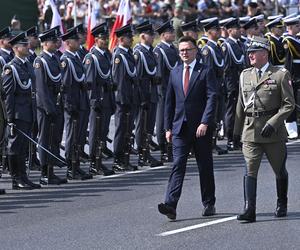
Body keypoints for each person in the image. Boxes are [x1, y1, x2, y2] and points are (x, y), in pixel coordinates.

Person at [234, 36, 295, 222]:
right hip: (250, 131)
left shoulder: (280, 74)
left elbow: (289, 105)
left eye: (254, 52)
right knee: (250, 170)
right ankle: (249, 209)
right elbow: (240, 104)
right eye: (249, 52)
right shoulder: (245, 74)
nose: (250, 55)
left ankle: (282, 202)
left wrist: (274, 123)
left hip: (273, 133)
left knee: (279, 170)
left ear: (265, 53)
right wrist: (236, 132)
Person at [158, 36, 217, 220]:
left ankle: (209, 203)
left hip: (201, 128)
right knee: (178, 165)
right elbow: (169, 102)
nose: (184, 52)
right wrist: (167, 127)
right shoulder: (175, 72)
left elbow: (212, 98)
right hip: (179, 128)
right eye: (181, 50)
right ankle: (171, 205)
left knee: (204, 166)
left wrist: (205, 122)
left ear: (195, 51)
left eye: (188, 49)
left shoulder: (205, 71)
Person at [2, 32, 41, 190]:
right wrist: (10, 119)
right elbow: (8, 96)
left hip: (28, 111)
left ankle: (24, 177)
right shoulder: (10, 68)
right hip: (18, 113)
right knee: (15, 147)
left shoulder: (26, 64)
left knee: (24, 146)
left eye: (27, 44)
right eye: (24, 45)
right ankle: (16, 178)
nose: (27, 46)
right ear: (16, 48)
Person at [34, 28, 68, 185]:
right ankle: (44, 172)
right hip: (45, 107)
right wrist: (49, 109)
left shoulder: (55, 59)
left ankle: (51, 170)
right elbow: (41, 88)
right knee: (45, 139)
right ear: (45, 43)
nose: (56, 44)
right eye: (54, 42)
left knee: (54, 138)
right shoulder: (40, 62)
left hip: (56, 104)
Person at [60, 27, 93, 180]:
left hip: (81, 102)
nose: (79, 41)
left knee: (79, 136)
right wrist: (69, 105)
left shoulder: (75, 58)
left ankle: (77, 164)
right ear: (68, 43)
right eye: (75, 39)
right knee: (72, 136)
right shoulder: (66, 60)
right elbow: (66, 86)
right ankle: (70, 167)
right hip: (73, 104)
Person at [84, 22, 115, 176]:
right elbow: (90, 83)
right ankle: (94, 162)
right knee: (95, 132)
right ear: (96, 40)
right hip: (97, 100)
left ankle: (100, 160)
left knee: (103, 132)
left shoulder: (107, 55)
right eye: (102, 38)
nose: (106, 41)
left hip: (107, 98)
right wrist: (93, 101)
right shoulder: (92, 57)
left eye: (106, 38)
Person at [133, 21, 162, 168]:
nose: (153, 37)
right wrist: (141, 97)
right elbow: (137, 78)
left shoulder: (150, 51)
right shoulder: (139, 53)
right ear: (143, 36)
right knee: (141, 125)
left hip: (152, 93)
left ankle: (147, 151)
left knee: (149, 125)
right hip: (143, 95)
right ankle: (141, 153)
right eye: (150, 35)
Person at [111, 24, 138, 171]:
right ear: (121, 39)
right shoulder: (119, 56)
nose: (132, 39)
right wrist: (123, 99)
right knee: (121, 129)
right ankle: (118, 158)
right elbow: (119, 79)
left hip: (130, 97)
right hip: (123, 98)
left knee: (128, 129)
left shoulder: (128, 53)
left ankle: (125, 158)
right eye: (129, 37)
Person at [154, 20, 180, 162]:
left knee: (173, 118)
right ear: (163, 35)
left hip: (175, 89)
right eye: (171, 32)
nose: (173, 34)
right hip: (164, 90)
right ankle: (163, 148)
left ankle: (172, 147)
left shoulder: (173, 49)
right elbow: (158, 74)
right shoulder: (159, 51)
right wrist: (161, 91)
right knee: (163, 119)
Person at [221, 18, 245, 150]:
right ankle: (230, 138)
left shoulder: (240, 44)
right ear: (230, 31)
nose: (240, 30)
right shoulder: (227, 45)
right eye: (236, 28)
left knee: (240, 111)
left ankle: (237, 137)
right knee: (231, 111)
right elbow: (226, 67)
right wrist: (229, 85)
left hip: (240, 81)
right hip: (232, 82)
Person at [282, 16, 300, 139]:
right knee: (290, 102)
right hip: (293, 74)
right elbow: (288, 62)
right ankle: (291, 128)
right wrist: (288, 76)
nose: (299, 28)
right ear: (290, 27)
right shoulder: (288, 41)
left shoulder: (295, 39)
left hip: (298, 74)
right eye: (297, 26)